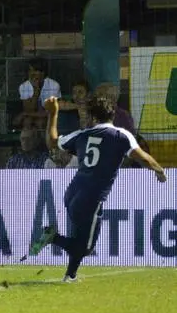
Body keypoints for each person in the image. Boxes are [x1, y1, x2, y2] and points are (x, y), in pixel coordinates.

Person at [29, 95, 167, 282]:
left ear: (93, 117)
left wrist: (53, 113)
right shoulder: (120, 135)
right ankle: (52, 237)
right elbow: (142, 157)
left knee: (81, 237)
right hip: (91, 198)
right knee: (86, 247)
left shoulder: (82, 134)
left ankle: (70, 276)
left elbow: (52, 142)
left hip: (72, 194)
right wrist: (159, 171)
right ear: (113, 115)